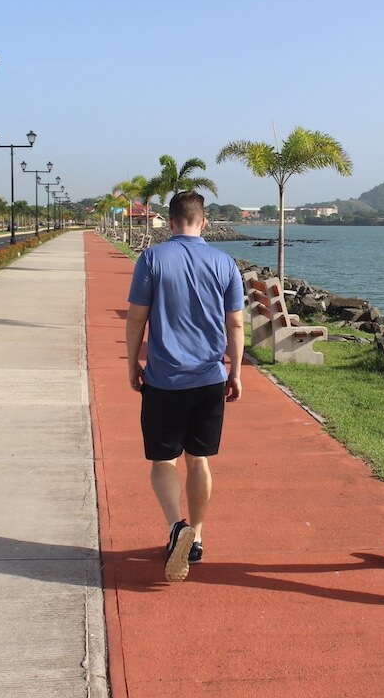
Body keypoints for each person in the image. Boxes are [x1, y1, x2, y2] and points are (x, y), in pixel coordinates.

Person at [126, 190, 245, 582]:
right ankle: (197, 536)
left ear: (171, 221)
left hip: (163, 380)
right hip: (210, 379)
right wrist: (237, 372)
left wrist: (133, 365)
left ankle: (177, 525)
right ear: (204, 222)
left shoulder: (152, 258)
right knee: (199, 460)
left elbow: (136, 318)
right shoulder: (224, 262)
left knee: (163, 462)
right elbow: (236, 325)